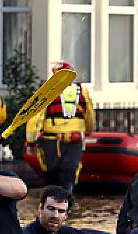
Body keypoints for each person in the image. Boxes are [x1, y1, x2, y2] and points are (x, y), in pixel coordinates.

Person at [26, 61, 95, 193]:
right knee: (70, 171)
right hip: (75, 137)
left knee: (52, 171)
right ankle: (67, 200)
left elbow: (37, 116)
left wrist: (31, 141)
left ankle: (52, 199)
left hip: (52, 138)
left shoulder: (48, 90)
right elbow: (89, 114)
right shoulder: (82, 91)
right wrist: (88, 130)